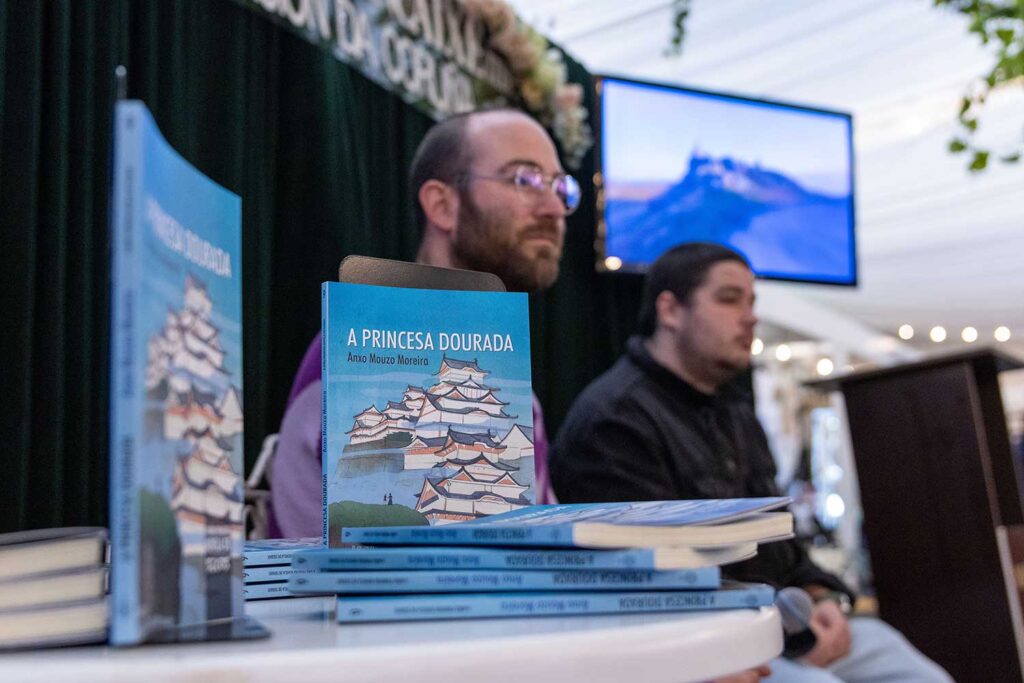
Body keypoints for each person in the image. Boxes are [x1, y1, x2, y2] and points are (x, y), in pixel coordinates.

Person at [549, 242, 952, 683]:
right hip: (706, 648)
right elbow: (652, 585)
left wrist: (823, 601)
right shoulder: (615, 419)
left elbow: (785, 549)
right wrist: (784, 634)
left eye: (752, 301)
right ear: (669, 310)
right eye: (728, 299)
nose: (750, 316)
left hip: (785, 629)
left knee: (910, 666)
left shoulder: (737, 413)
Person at [269, 108, 578, 538]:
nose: (553, 208)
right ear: (442, 205)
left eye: (562, 187)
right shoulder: (356, 353)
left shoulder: (508, 376)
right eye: (524, 179)